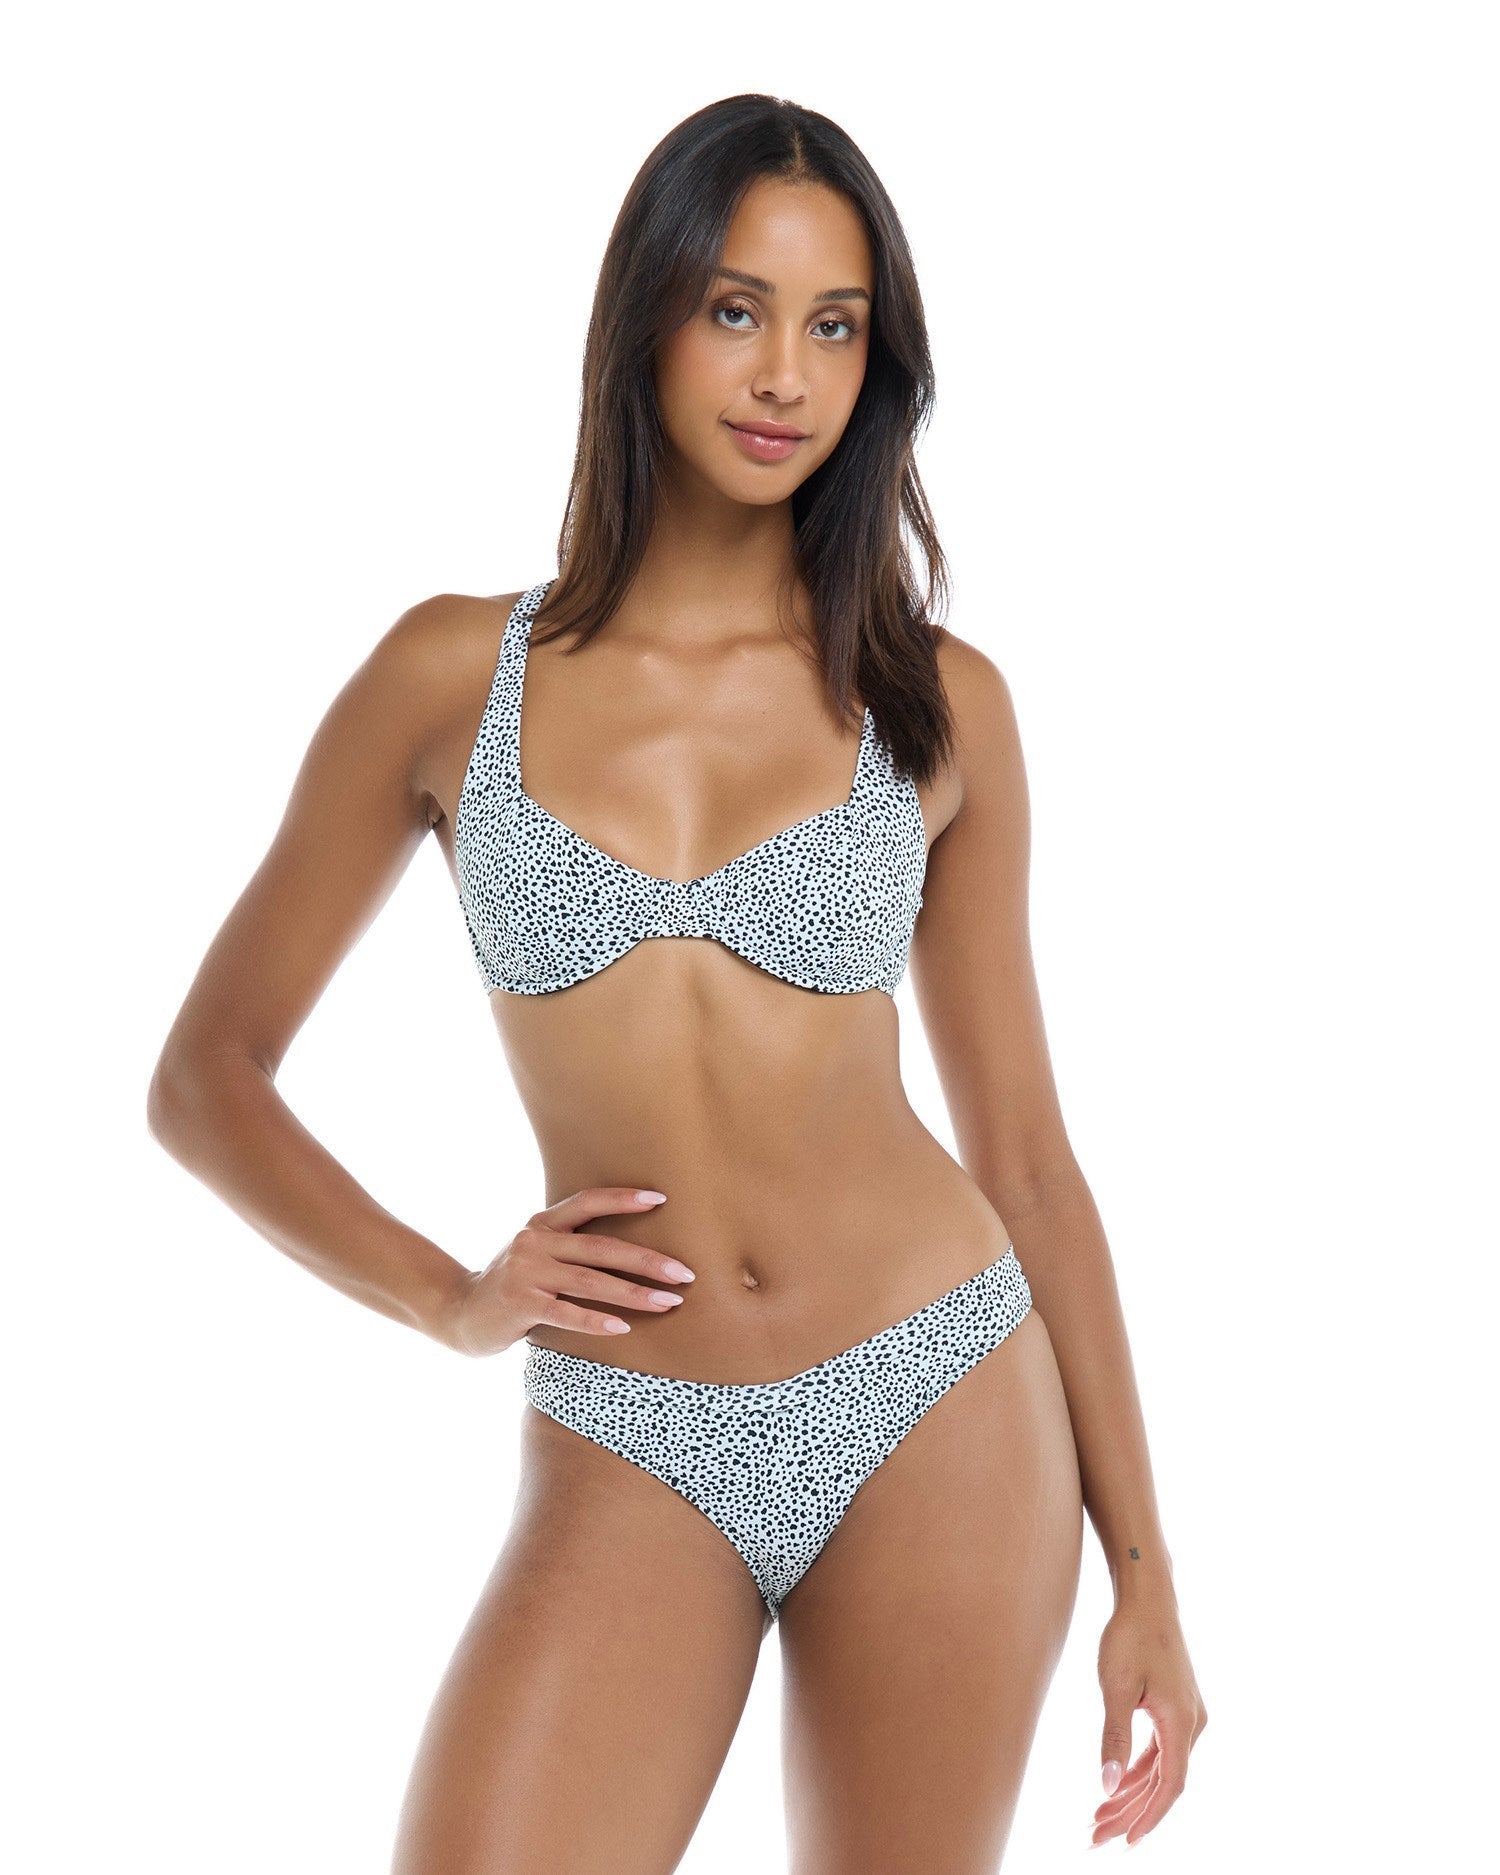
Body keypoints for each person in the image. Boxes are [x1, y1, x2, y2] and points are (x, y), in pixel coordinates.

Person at [147, 92, 1206, 1875]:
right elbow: (207, 1079)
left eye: (835, 326)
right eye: (736, 309)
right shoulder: (449, 677)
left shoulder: (937, 703)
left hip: (938, 1395)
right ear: (645, 315)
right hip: (631, 1424)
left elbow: (1027, 1161)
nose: (785, 374)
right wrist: (451, 1298)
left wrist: (1149, 1576)